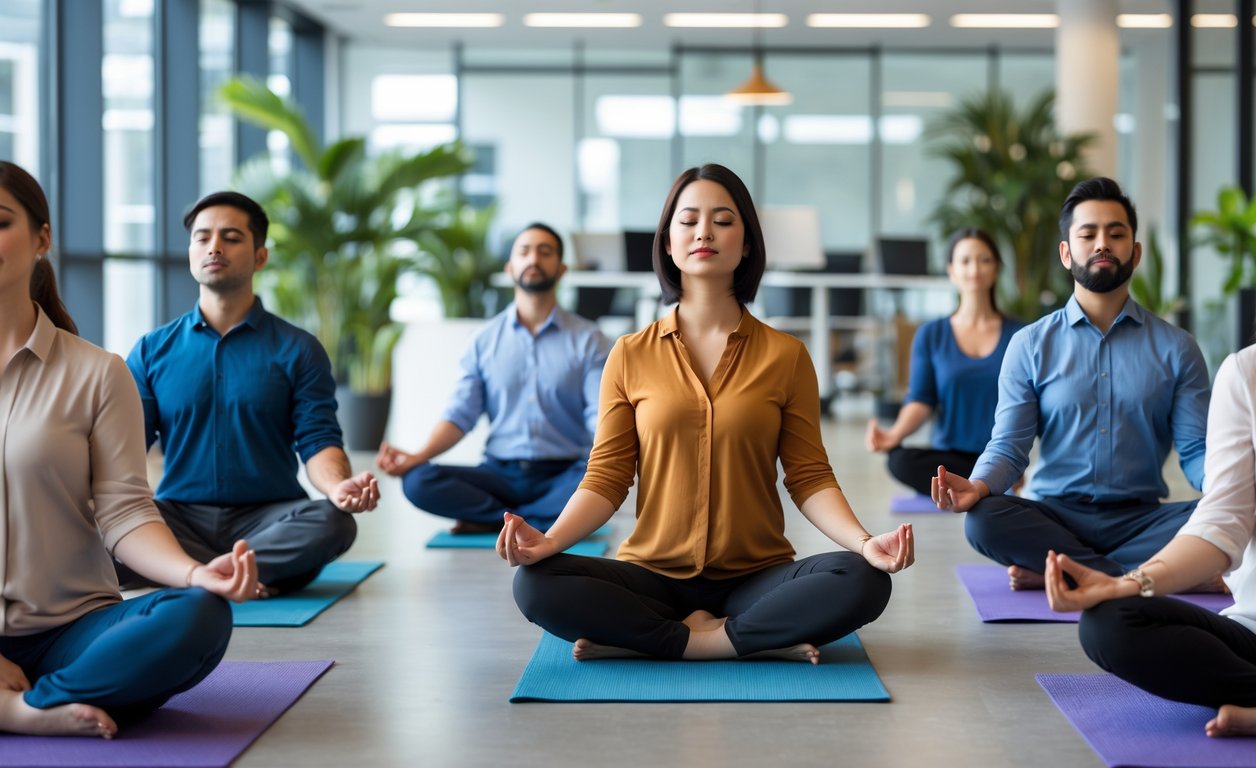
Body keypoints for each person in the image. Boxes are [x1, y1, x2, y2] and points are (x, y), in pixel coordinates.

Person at [498, 163, 914, 664]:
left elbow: (809, 477)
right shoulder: (629, 354)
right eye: (689, 220)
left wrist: (866, 543)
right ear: (668, 244)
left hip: (756, 578)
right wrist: (550, 542)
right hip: (652, 577)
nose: (704, 232)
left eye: (722, 220)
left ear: (747, 244)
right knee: (535, 583)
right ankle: (743, 640)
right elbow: (607, 477)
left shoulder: (786, 356)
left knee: (865, 578)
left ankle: (666, 640)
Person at [1045, 158, 1256, 738]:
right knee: (1111, 622)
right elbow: (1223, 520)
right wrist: (1128, 582)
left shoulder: (1173, 347)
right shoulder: (1252, 373)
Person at [0, 162, 259, 739]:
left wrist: (196, 572)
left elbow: (125, 512)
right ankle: (21, 712)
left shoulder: (98, 373)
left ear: (42, 238)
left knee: (198, 613)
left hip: (72, 632)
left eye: (0, 223)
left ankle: (41, 699)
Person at [931, 177, 1211, 591]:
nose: (1102, 244)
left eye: (1116, 234)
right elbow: (1009, 447)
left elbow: (1195, 449)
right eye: (1088, 234)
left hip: (1143, 520)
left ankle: (1065, 572)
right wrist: (977, 485)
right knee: (984, 521)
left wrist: (1230, 490)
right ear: (1066, 253)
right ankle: (1151, 576)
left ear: (1135, 253)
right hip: (1055, 518)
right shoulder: (1029, 344)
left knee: (1227, 515)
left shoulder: (1178, 348)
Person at [122, 191, 378, 596]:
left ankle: (193, 572)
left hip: (270, 520)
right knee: (100, 523)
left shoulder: (299, 349)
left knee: (334, 522)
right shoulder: (151, 350)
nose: (214, 247)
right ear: (190, 253)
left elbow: (318, 440)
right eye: (202, 238)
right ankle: (242, 572)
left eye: (231, 237)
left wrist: (336, 488)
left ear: (260, 257)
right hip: (178, 518)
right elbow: (126, 446)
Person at [376, 223, 610, 534]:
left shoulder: (590, 339)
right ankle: (538, 522)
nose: (533, 259)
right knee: (417, 481)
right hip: (499, 475)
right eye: (524, 252)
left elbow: (599, 415)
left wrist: (614, 461)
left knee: (604, 481)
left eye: (545, 252)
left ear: (562, 269)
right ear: (510, 268)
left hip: (565, 474)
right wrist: (417, 457)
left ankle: (496, 521)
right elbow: (460, 415)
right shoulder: (483, 340)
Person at [865, 228, 1024, 495]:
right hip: (950, 458)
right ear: (951, 270)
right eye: (965, 260)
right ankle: (978, 486)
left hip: (1001, 454)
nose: (975, 268)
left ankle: (988, 482)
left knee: (1001, 469)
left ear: (997, 268)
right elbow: (921, 400)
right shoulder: (931, 334)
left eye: (984, 260)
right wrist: (894, 434)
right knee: (898, 460)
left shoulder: (1021, 335)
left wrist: (1017, 460)